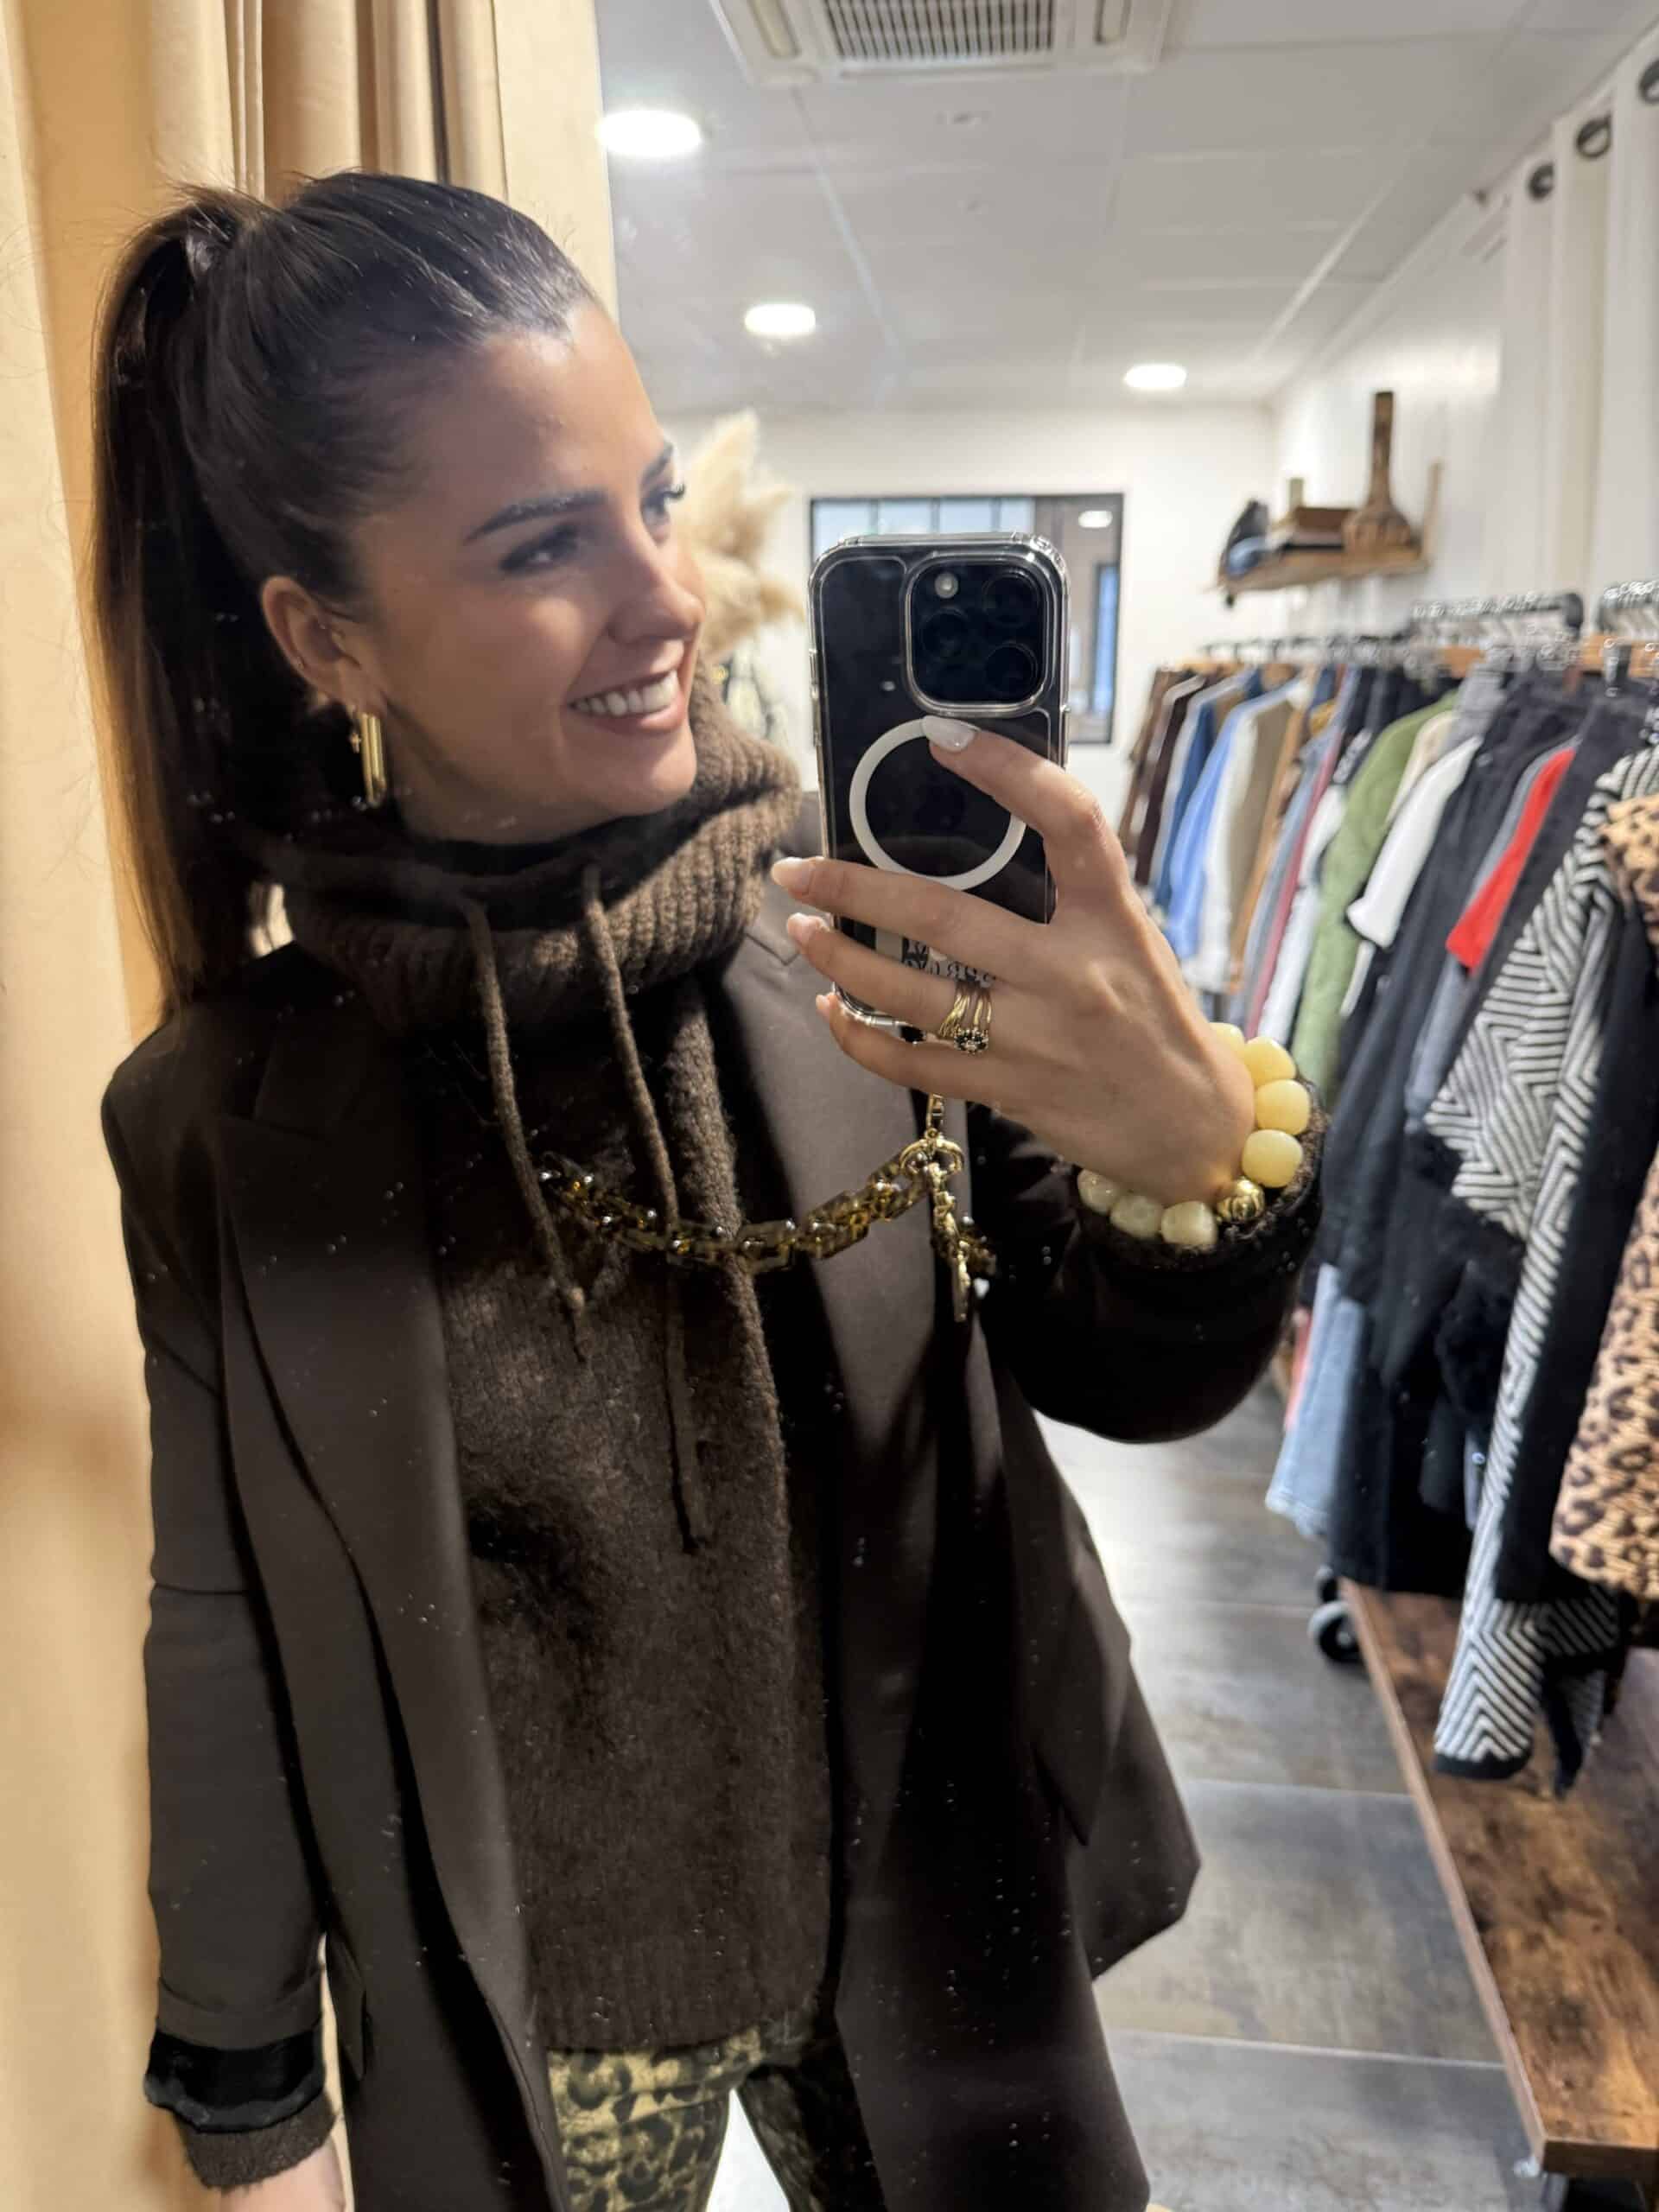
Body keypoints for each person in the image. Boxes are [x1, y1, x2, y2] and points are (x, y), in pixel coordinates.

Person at [93, 172, 1321, 2212]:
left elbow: (1130, 1376)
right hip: (536, 2023)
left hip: (921, 1931)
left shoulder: (881, 942)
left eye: (652, 501)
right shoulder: (224, 1114)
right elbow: (217, 1610)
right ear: (326, 636)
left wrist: (1195, 1156)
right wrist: (248, 2092)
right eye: (542, 545)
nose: (663, 599)